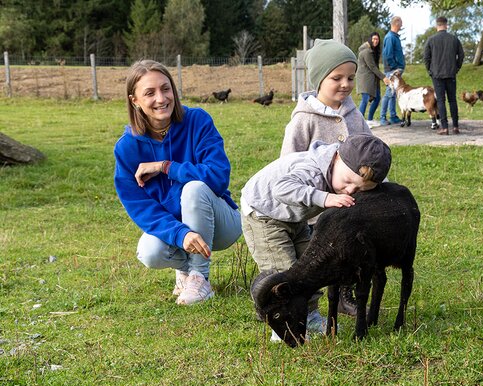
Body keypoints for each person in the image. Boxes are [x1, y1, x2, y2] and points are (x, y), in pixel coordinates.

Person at [114, 60, 242, 306]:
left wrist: (166, 167)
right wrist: (180, 233)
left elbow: (217, 177)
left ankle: (199, 276)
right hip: (179, 229)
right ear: (135, 101)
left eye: (166, 89)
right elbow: (140, 207)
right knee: (149, 252)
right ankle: (186, 271)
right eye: (149, 93)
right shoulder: (127, 148)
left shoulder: (198, 121)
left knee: (194, 188)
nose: (161, 99)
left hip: (222, 223)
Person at [242, 134, 392, 340]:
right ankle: (283, 323)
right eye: (348, 181)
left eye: (358, 189)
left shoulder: (345, 170)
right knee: (283, 271)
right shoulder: (311, 170)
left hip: (295, 218)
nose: (349, 190)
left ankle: (309, 314)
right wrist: (325, 197)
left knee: (310, 266)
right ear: (337, 157)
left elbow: (381, 185)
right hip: (264, 215)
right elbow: (282, 189)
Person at [280, 39, 374, 317]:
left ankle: (347, 295)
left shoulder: (355, 116)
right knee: (321, 253)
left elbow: (370, 147)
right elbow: (287, 165)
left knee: (352, 249)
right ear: (320, 78)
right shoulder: (303, 120)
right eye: (337, 77)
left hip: (351, 201)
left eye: (350, 78)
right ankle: (313, 302)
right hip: (315, 207)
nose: (345, 84)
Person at [423, 16, 464, 136]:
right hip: (451, 74)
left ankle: (444, 128)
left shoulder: (431, 40)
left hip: (437, 74)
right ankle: (455, 126)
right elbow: (461, 56)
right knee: (452, 100)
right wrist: (456, 68)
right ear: (446, 25)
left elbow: (426, 58)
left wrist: (430, 71)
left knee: (441, 101)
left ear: (437, 25)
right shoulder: (454, 39)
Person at [356, 32, 390, 128]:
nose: (375, 41)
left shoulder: (373, 50)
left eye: (377, 39)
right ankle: (360, 123)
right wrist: (383, 77)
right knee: (365, 99)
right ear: (370, 39)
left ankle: (369, 120)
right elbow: (372, 67)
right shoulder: (366, 51)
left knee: (377, 98)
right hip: (365, 79)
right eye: (374, 39)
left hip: (373, 79)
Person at [379, 16, 405, 126]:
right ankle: (382, 117)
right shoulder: (390, 37)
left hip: (396, 70)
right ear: (397, 24)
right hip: (392, 70)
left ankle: (393, 116)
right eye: (401, 23)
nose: (402, 25)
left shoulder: (395, 37)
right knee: (389, 93)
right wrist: (395, 68)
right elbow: (387, 55)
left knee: (393, 94)